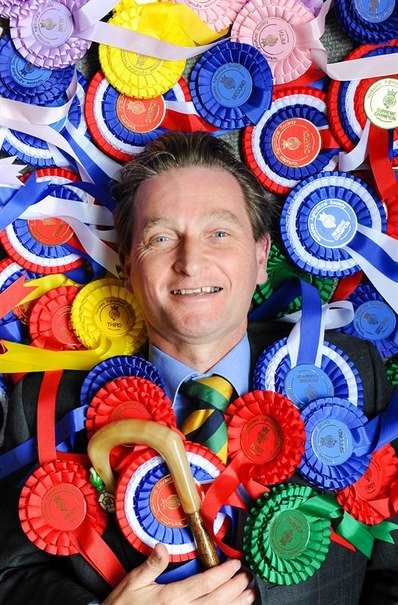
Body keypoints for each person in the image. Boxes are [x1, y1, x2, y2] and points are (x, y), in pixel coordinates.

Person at [0, 131, 396, 605]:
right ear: (126, 264)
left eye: (219, 233)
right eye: (161, 237)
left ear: (259, 257)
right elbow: (11, 577)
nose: (190, 262)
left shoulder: (352, 375)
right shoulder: (49, 406)